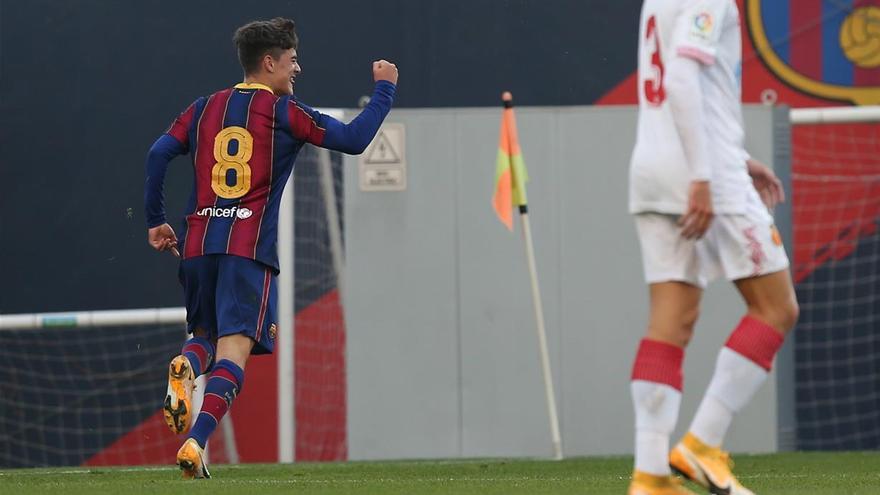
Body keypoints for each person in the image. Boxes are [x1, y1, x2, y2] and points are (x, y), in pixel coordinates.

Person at [143, 17, 398, 479]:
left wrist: (156, 220)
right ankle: (196, 442)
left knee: (203, 336)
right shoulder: (285, 112)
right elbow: (355, 139)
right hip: (248, 251)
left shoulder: (204, 108)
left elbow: (157, 154)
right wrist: (384, 89)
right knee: (234, 352)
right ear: (269, 62)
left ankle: (186, 364)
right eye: (293, 59)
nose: (297, 68)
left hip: (198, 244)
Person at [627, 1, 798, 494]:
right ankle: (701, 445)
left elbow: (684, 88)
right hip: (705, 175)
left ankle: (650, 476)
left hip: (652, 169)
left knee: (670, 322)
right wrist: (706, 174)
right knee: (776, 308)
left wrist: (738, 157)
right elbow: (680, 78)